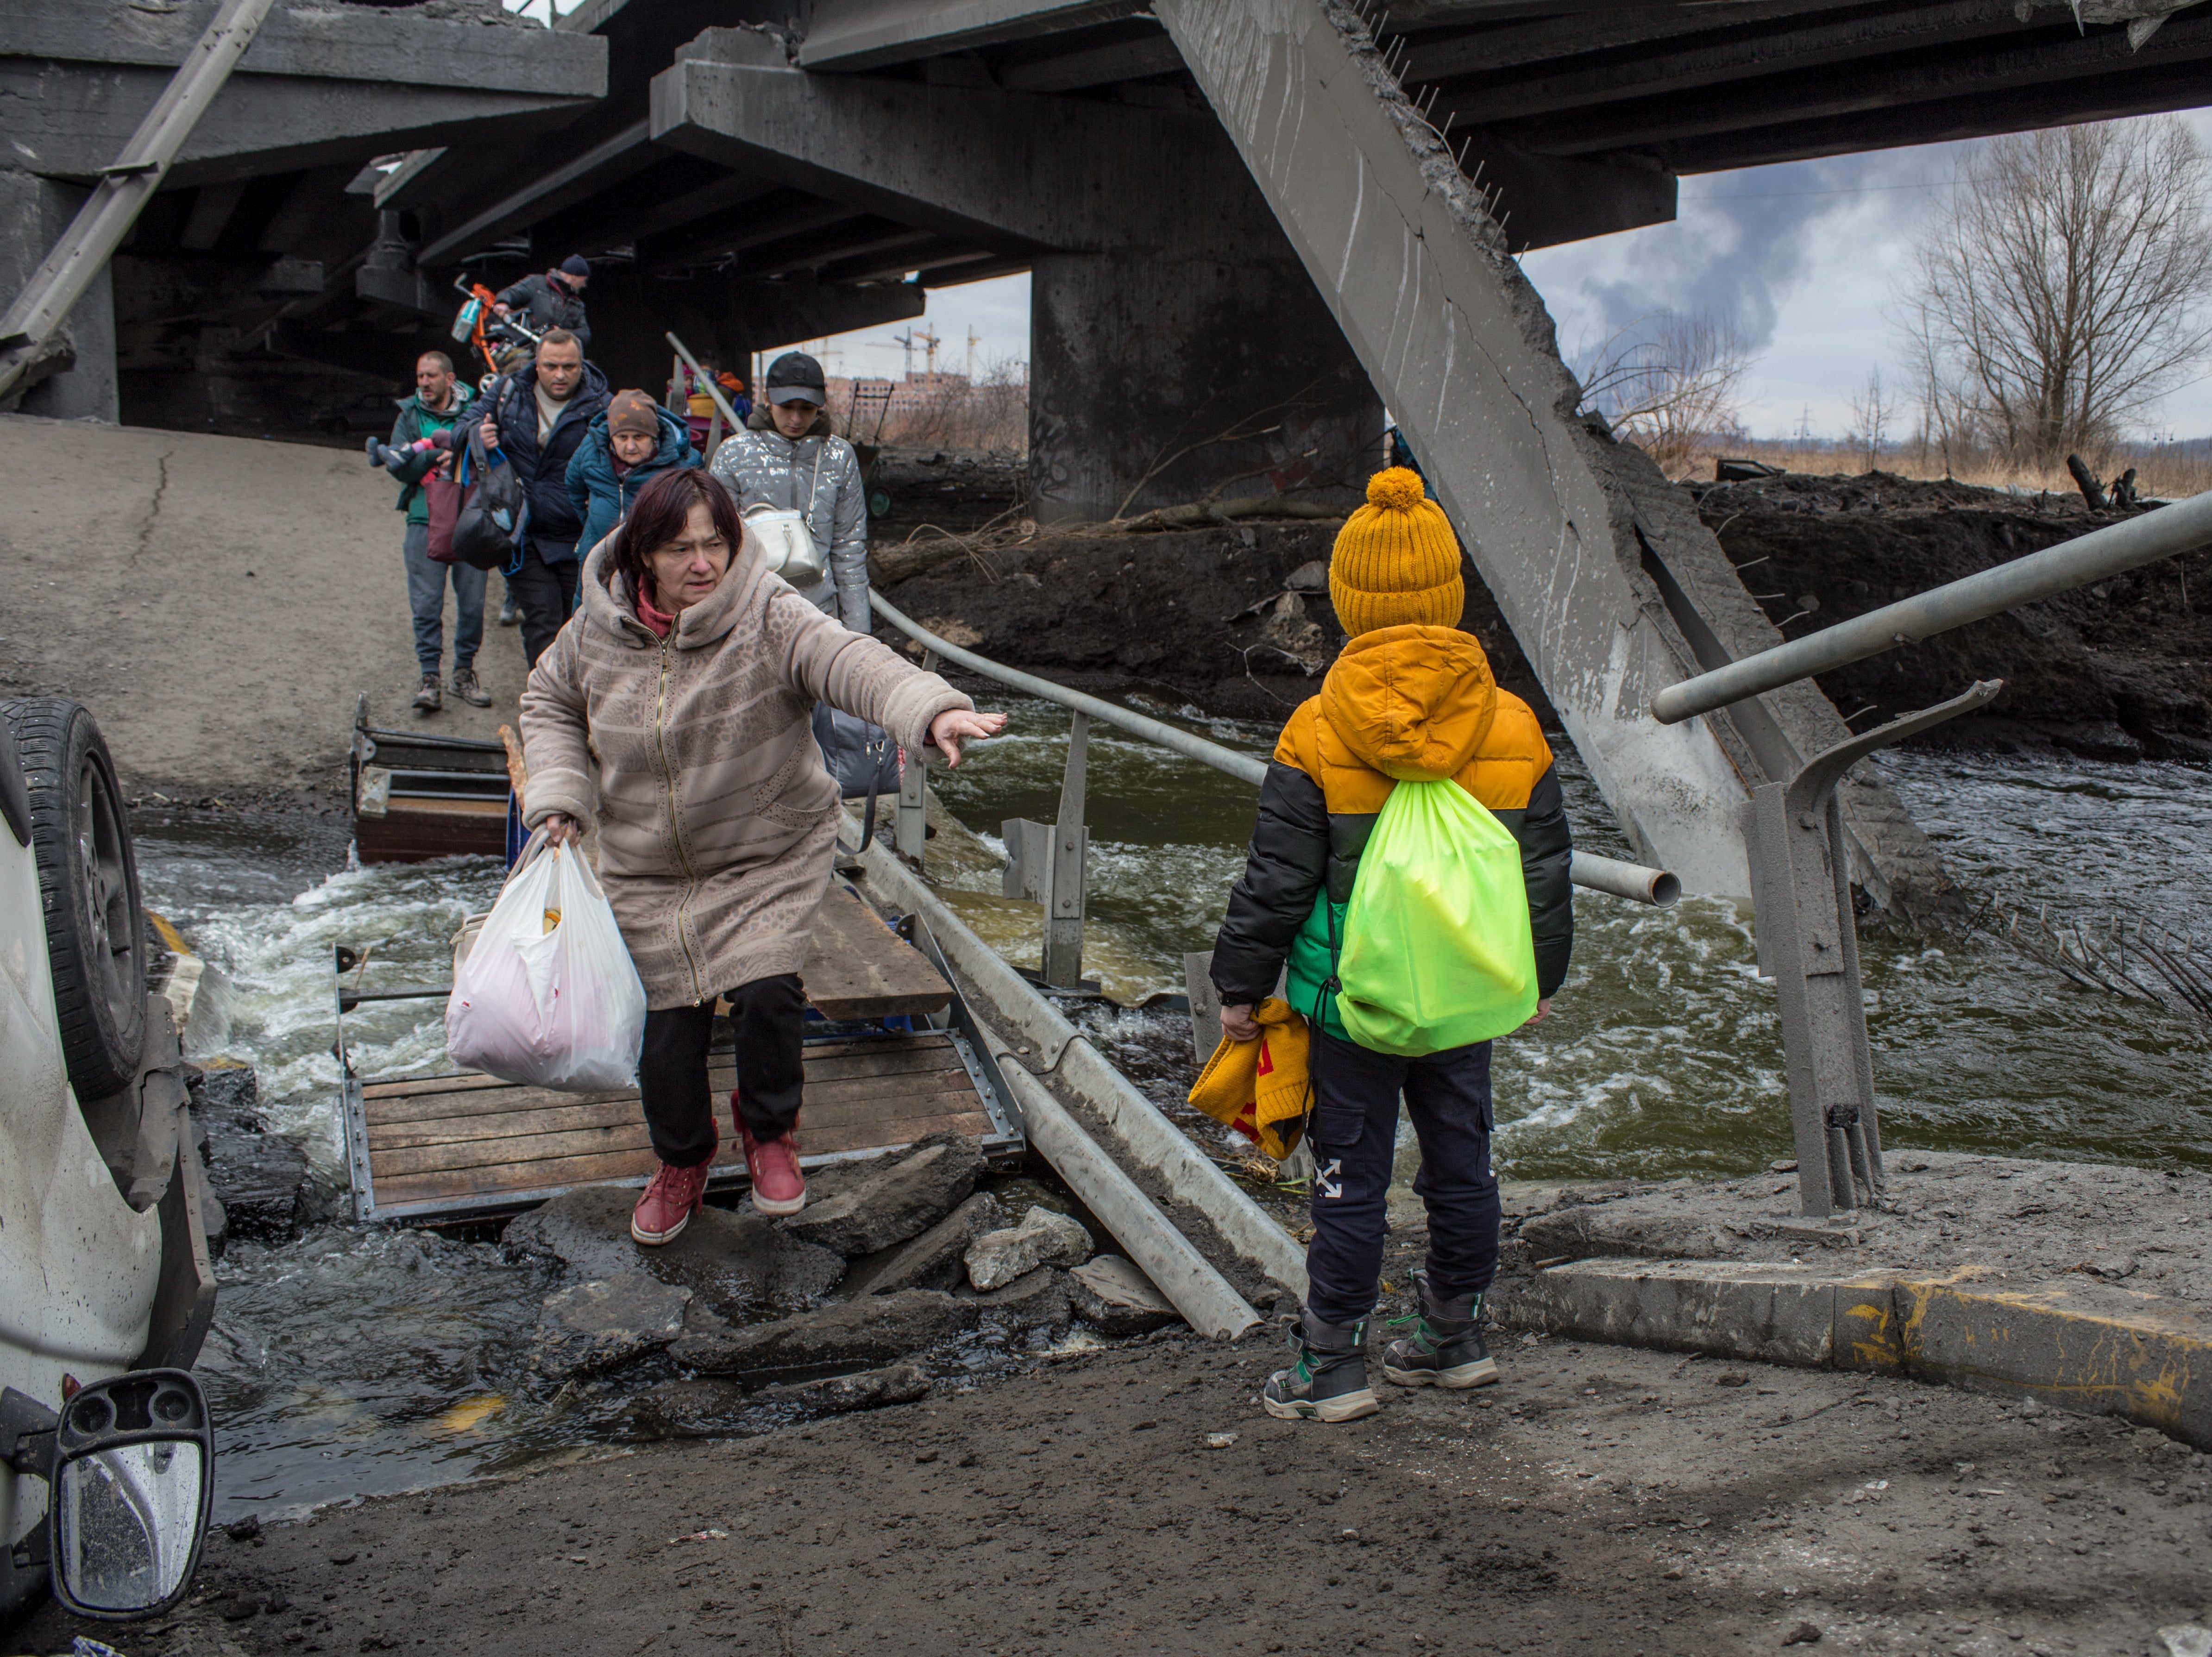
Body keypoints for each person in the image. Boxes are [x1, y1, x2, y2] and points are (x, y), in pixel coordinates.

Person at [517, 468, 1005, 1243]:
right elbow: (546, 703)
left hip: (764, 851)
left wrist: (930, 707)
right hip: (645, 864)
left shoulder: (769, 611)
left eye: (716, 542)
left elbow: (850, 658)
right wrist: (558, 795)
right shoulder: (596, 630)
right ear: (644, 553)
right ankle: (682, 1160)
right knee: (667, 1026)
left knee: (768, 990)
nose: (703, 563)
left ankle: (770, 1134)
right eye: (682, 549)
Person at [1207, 467, 1574, 1424]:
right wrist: (1538, 978)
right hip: (1464, 997)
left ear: (1347, 600)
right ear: (1451, 591)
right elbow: (1542, 873)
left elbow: (1277, 881)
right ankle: (1455, 1337)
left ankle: (1332, 1364)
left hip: (1350, 1004)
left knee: (1350, 1176)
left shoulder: (1318, 727)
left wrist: (1240, 988)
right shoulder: (1513, 724)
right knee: (1463, 1165)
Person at [708, 350, 869, 633]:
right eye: (786, 406)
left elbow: (849, 548)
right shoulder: (734, 454)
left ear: (820, 406)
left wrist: (858, 633)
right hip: (751, 614)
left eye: (806, 408)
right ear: (768, 399)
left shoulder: (839, 456)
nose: (796, 418)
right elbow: (716, 542)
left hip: (819, 614)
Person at [477, 329, 610, 665]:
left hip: (578, 536)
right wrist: (477, 436)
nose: (561, 374)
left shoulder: (602, 404)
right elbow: (462, 426)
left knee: (578, 624)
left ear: (583, 365)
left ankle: (573, 708)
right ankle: (544, 709)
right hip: (525, 534)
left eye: (570, 366)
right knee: (543, 622)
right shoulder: (508, 392)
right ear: (537, 365)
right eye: (551, 366)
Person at [380, 351, 489, 712]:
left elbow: (495, 457)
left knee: (472, 606)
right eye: (420, 376)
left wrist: (458, 455)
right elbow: (400, 468)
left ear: (450, 378)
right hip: (423, 519)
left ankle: (463, 674)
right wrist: (430, 457)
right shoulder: (409, 415)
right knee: (426, 606)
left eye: (430, 376)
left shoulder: (476, 410)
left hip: (470, 522)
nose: (423, 383)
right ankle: (430, 678)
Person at [566, 389, 699, 556]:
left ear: (654, 437)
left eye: (639, 437)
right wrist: (591, 522)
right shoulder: (591, 450)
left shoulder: (682, 463)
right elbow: (574, 486)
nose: (630, 446)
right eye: (622, 437)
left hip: (654, 558)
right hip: (598, 554)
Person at [494, 256, 591, 348]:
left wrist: (561, 334)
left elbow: (585, 334)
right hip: (526, 349)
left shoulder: (577, 304)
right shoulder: (536, 283)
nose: (584, 285)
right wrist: (503, 302)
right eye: (584, 280)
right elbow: (511, 292)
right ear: (574, 277)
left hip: (557, 355)